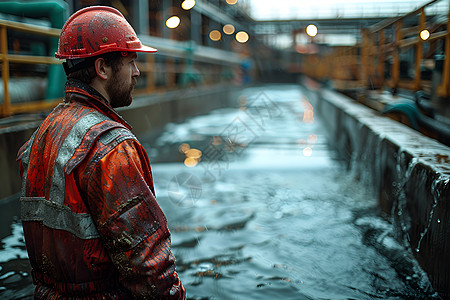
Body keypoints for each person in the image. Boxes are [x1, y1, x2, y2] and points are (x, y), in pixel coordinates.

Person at [16, 6, 185, 299]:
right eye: (130, 61)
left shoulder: (40, 137)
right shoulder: (111, 148)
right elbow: (147, 263)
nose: (138, 72)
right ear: (102, 69)